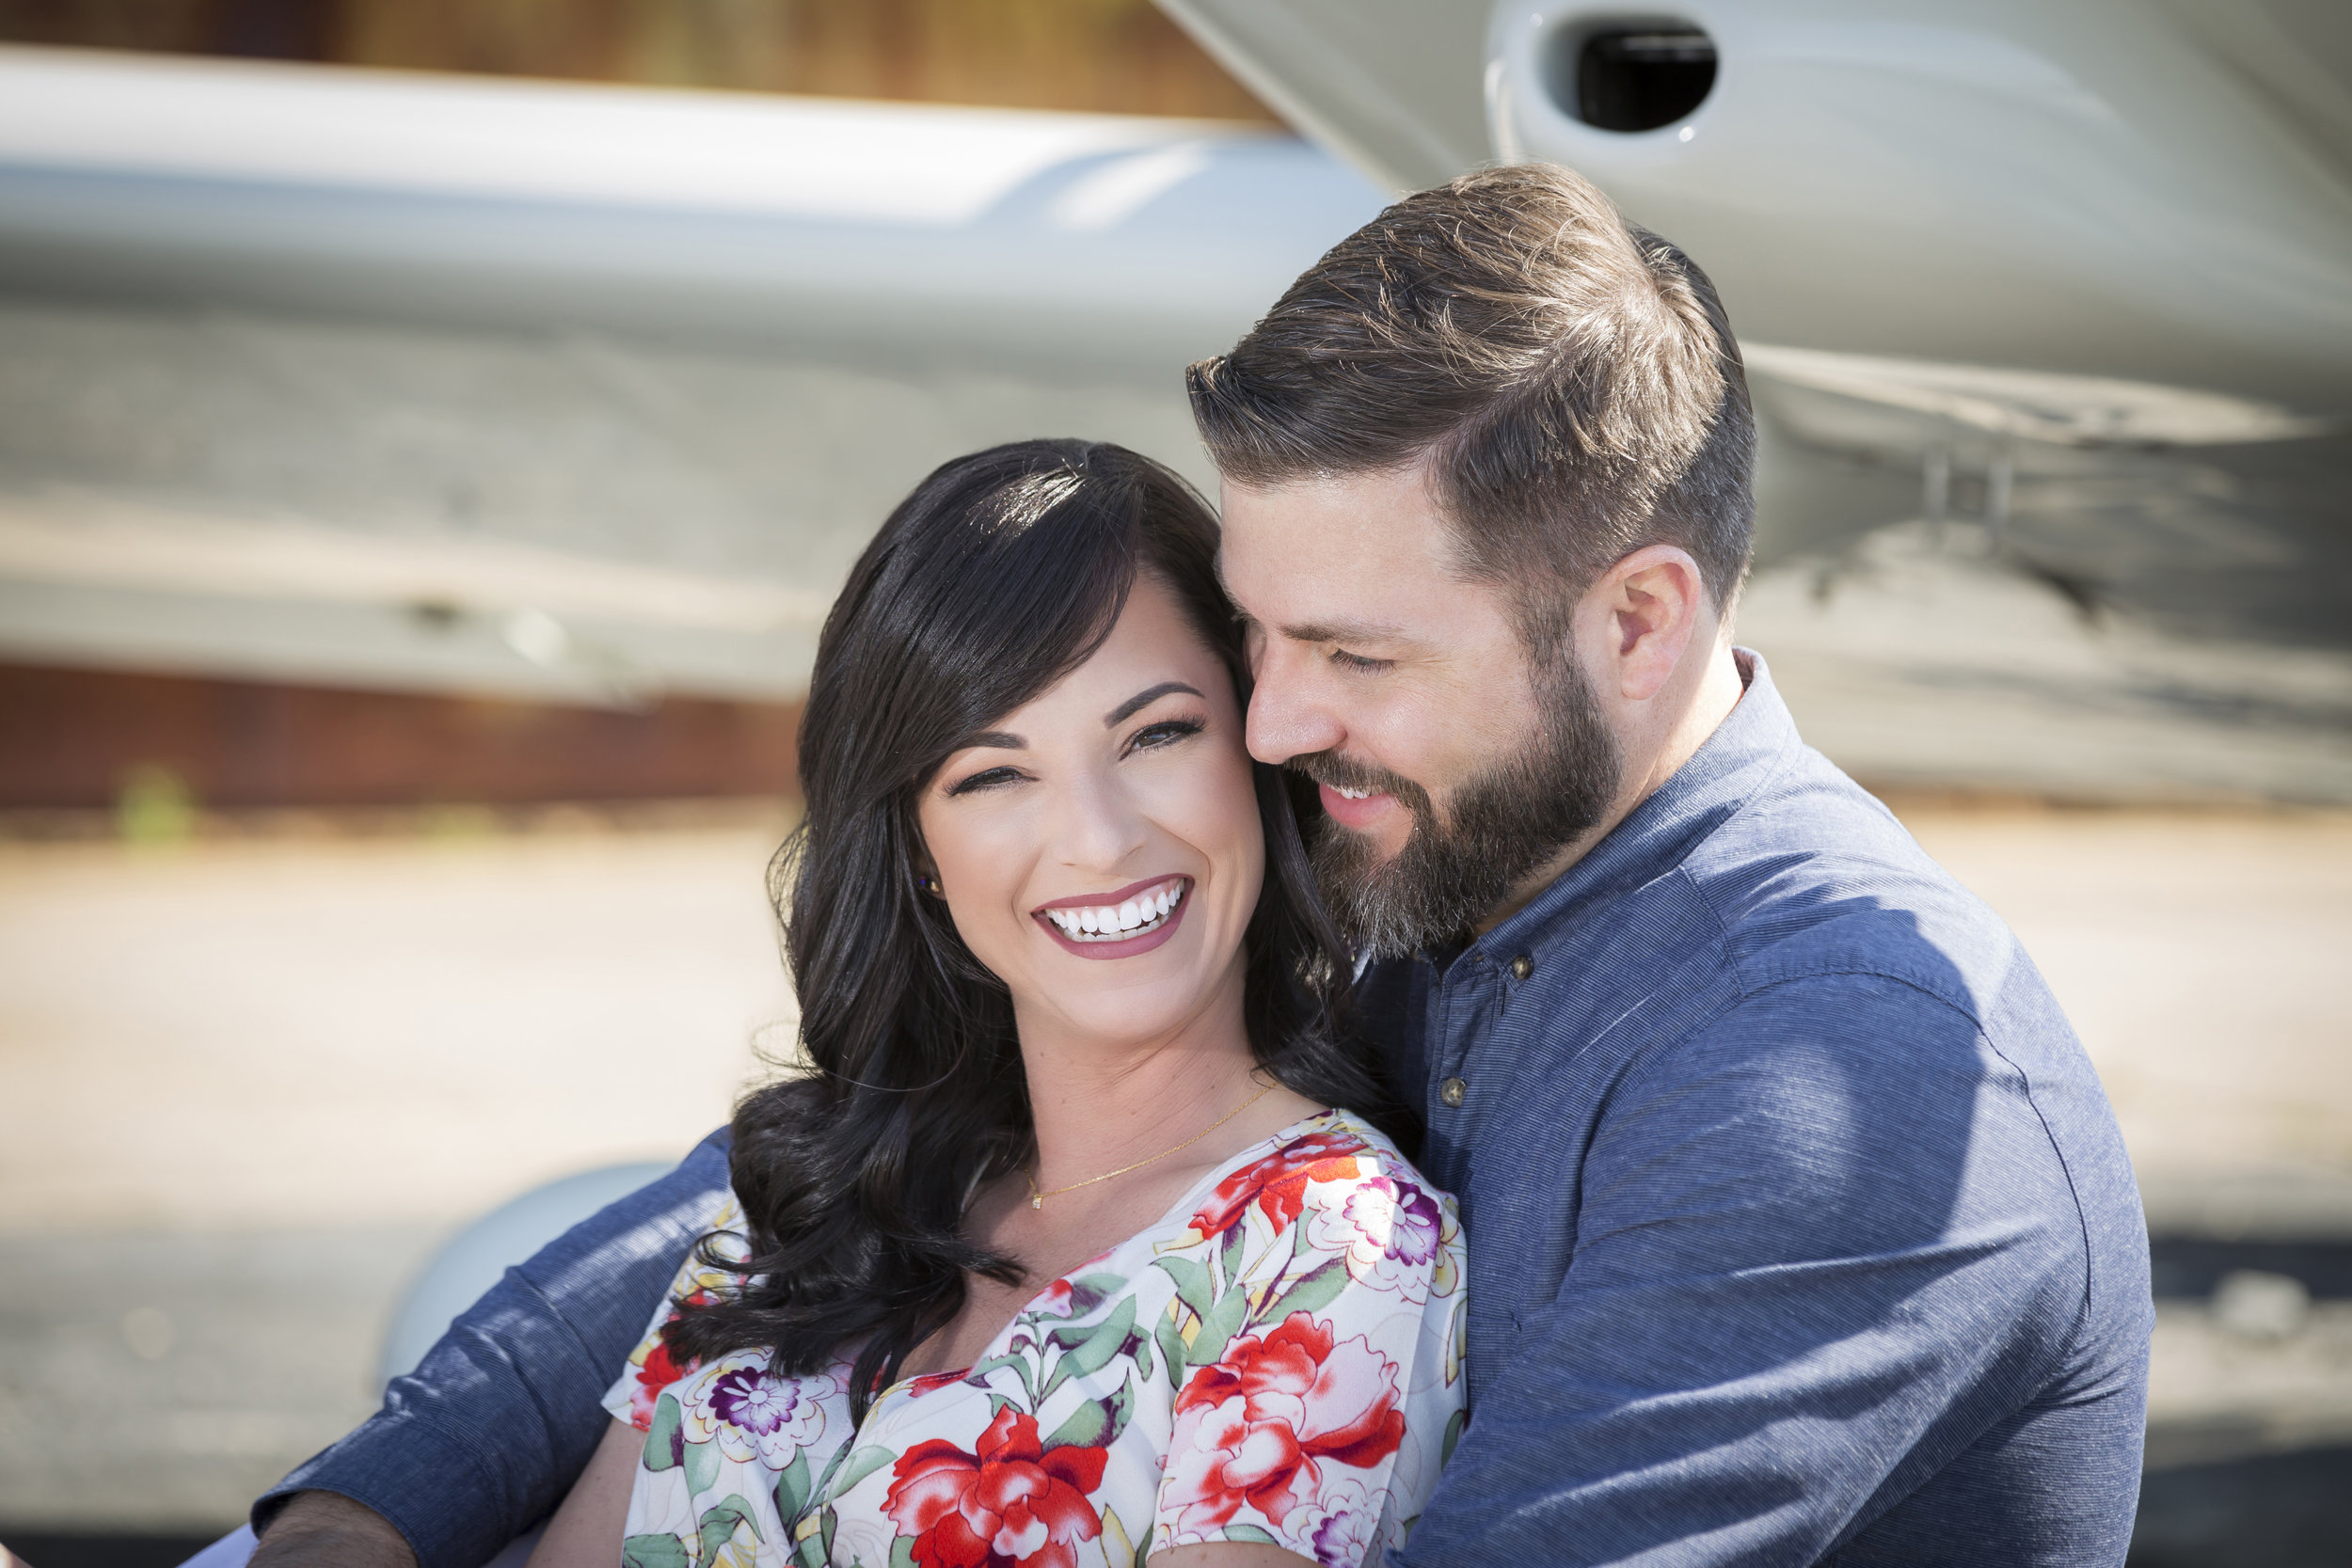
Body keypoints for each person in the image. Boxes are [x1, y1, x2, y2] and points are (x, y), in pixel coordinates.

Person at [247, 166, 2151, 1568]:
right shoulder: (1429, 843)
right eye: (1259, 636)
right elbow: (831, 1160)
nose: (1261, 723)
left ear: (1637, 618)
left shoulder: (1833, 1058)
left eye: (1358, 654)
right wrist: (351, 1515)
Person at [519, 438, 1458, 1568]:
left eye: (1156, 733)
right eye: (993, 773)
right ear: (916, 844)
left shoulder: (1329, 1243)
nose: (1100, 839)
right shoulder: (808, 1196)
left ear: (1255, 751)